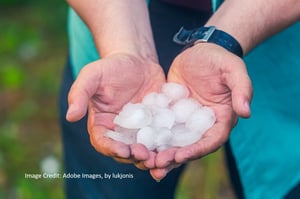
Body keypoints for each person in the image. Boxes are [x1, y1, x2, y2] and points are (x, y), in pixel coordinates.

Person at [59, 0, 300, 198]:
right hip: (114, 17)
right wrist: (124, 49)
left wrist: (221, 41)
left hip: (276, 37)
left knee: (284, 176)